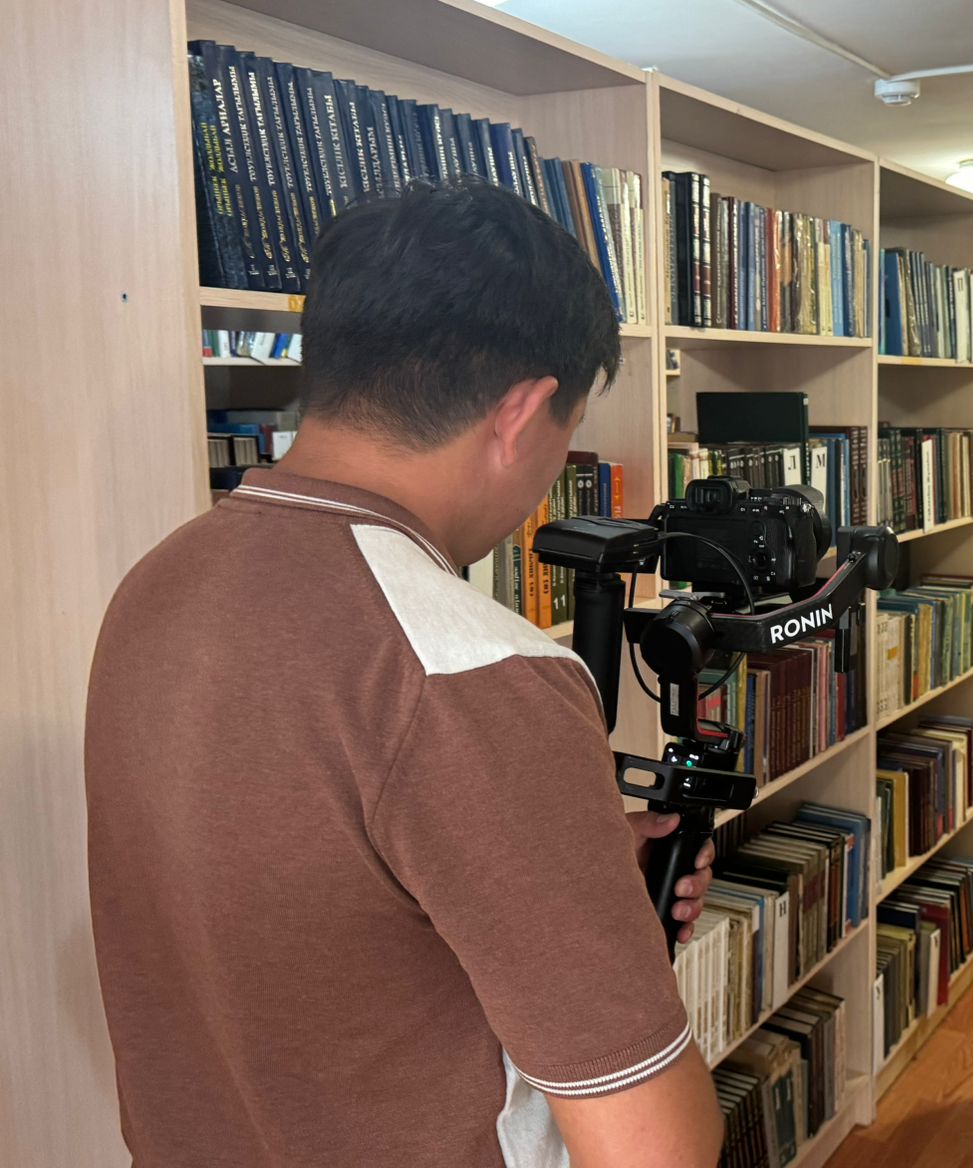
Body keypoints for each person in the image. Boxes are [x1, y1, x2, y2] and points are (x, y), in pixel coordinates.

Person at [85, 179, 724, 1168]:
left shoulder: (156, 586)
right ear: (523, 412)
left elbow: (316, 900)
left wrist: (567, 878)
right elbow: (657, 1149)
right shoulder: (474, 669)